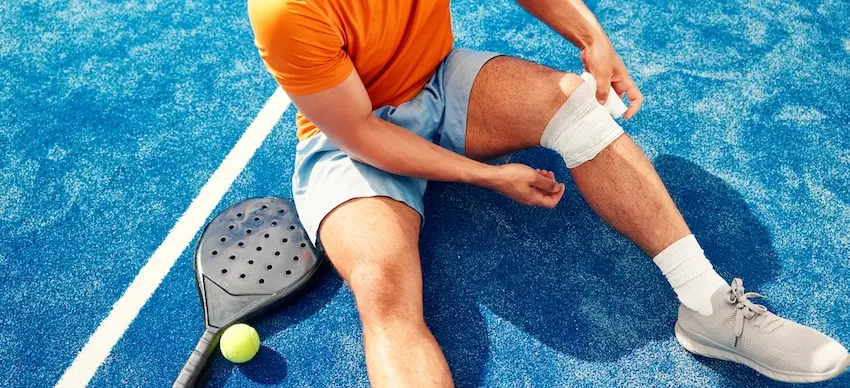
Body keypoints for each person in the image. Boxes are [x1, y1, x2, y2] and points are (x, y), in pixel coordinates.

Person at [247, 0, 849, 385]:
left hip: (440, 79)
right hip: (356, 140)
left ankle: (711, 307)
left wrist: (590, 35)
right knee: (383, 290)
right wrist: (485, 175)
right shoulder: (285, 10)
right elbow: (360, 132)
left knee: (578, 108)